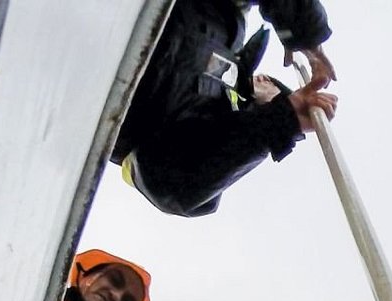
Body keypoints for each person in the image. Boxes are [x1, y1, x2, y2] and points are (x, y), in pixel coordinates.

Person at [111, 0, 338, 218]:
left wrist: (281, 121)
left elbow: (174, 185)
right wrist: (308, 37)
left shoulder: (208, 132)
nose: (263, 81)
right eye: (269, 82)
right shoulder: (227, 22)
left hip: (103, 94)